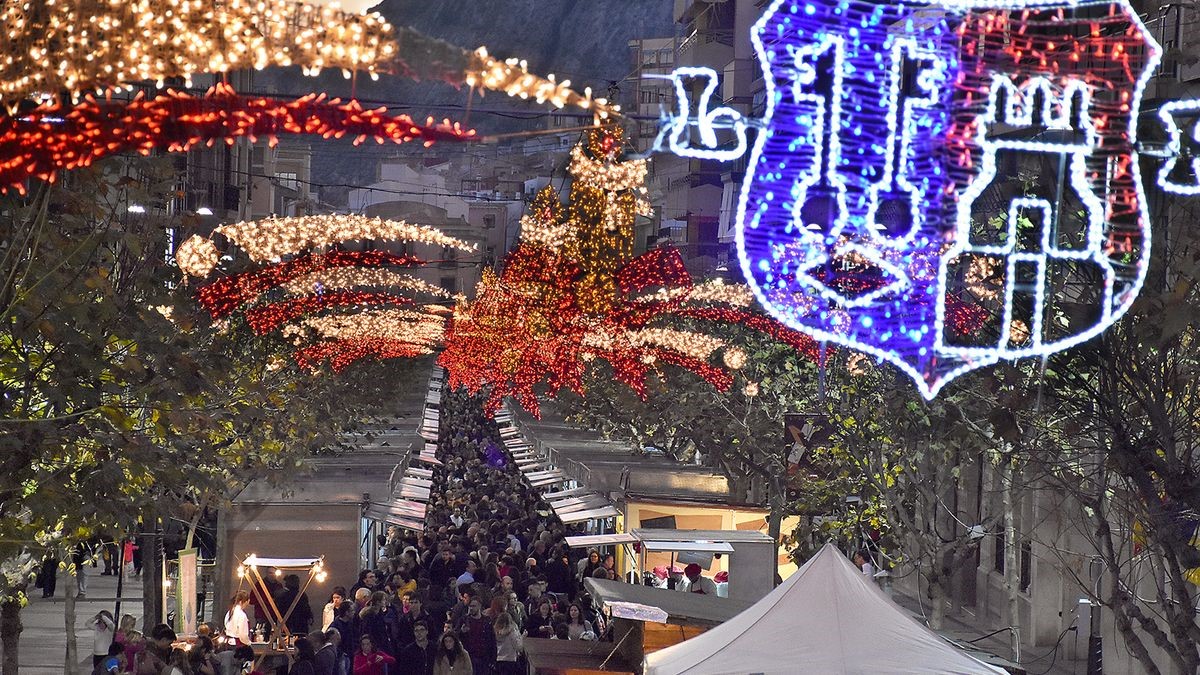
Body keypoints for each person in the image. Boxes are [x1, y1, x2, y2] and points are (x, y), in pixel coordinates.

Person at [454, 597, 495, 675]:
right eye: (470, 606)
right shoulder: (464, 620)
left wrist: (492, 660)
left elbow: (492, 640)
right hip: (468, 658)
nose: (471, 608)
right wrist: (462, 632)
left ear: (479, 606)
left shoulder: (486, 621)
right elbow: (454, 636)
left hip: (484, 659)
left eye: (474, 606)